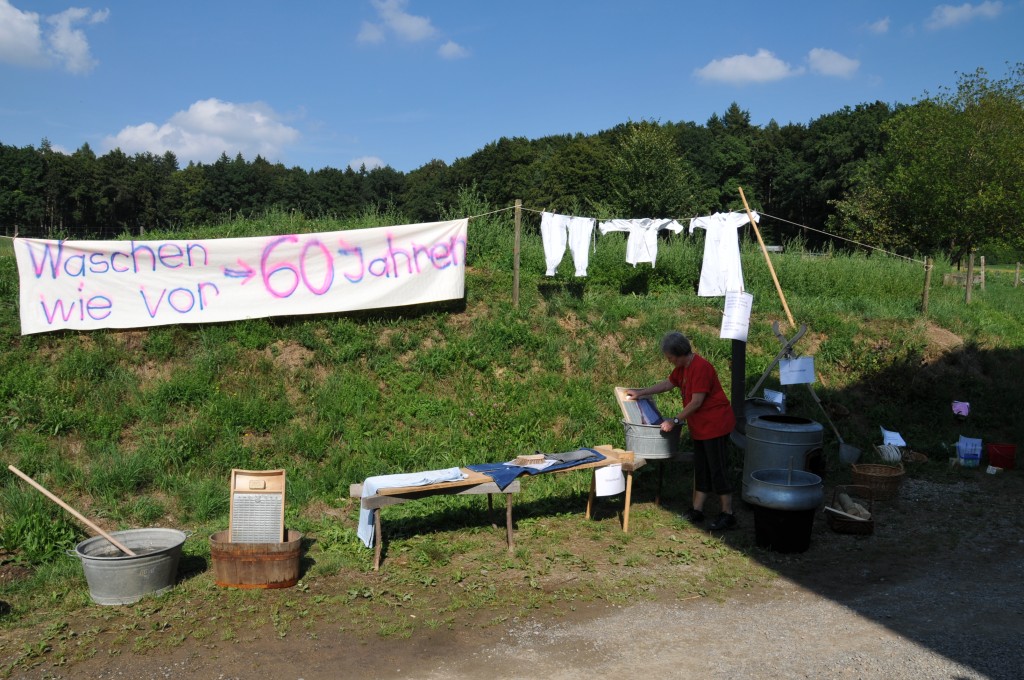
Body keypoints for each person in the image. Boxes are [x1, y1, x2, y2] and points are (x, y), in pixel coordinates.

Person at [626, 331, 738, 530]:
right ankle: (697, 510)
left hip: (715, 425)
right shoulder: (682, 368)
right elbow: (668, 383)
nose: (669, 361)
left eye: (670, 358)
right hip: (701, 427)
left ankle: (728, 513)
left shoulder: (701, 368)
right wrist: (642, 393)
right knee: (702, 467)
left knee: (717, 468)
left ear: (679, 354)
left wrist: (675, 420)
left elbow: (696, 402)